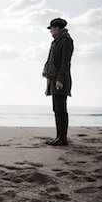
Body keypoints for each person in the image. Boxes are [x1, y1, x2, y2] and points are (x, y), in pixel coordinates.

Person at [42, 18, 74, 146]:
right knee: (57, 109)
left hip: (61, 79)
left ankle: (62, 138)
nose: (50, 32)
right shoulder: (57, 41)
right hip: (54, 78)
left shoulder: (66, 41)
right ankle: (59, 137)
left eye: (51, 29)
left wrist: (60, 80)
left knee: (61, 109)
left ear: (57, 28)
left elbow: (66, 62)